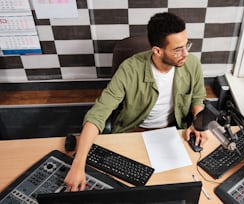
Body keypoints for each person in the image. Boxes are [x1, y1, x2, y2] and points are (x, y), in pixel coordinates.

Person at [64, 12, 207, 191]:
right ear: (157, 50)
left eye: (187, 45)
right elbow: (98, 114)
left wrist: (197, 122)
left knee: (179, 185)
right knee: (131, 187)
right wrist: (78, 165)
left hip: (173, 132)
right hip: (134, 132)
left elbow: (197, 97)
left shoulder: (192, 64)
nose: (186, 54)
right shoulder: (130, 69)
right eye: (178, 49)